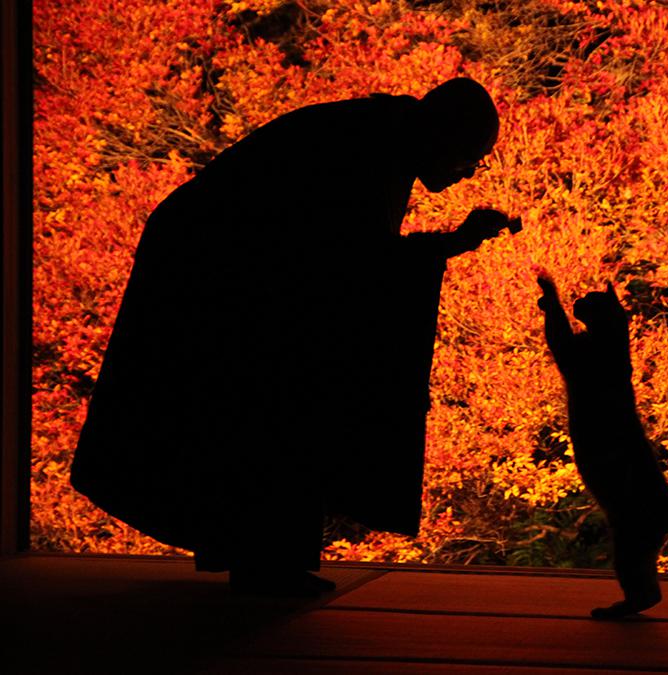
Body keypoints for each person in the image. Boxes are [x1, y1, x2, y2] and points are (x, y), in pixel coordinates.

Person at [71, 78, 519, 595]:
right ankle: (264, 563)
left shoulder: (379, 135)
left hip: (216, 261)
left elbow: (350, 261)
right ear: (444, 134)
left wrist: (451, 243)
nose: (468, 172)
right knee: (277, 397)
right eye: (471, 156)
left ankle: (260, 557)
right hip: (213, 272)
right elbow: (355, 268)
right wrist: (453, 242)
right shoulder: (371, 153)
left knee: (263, 400)